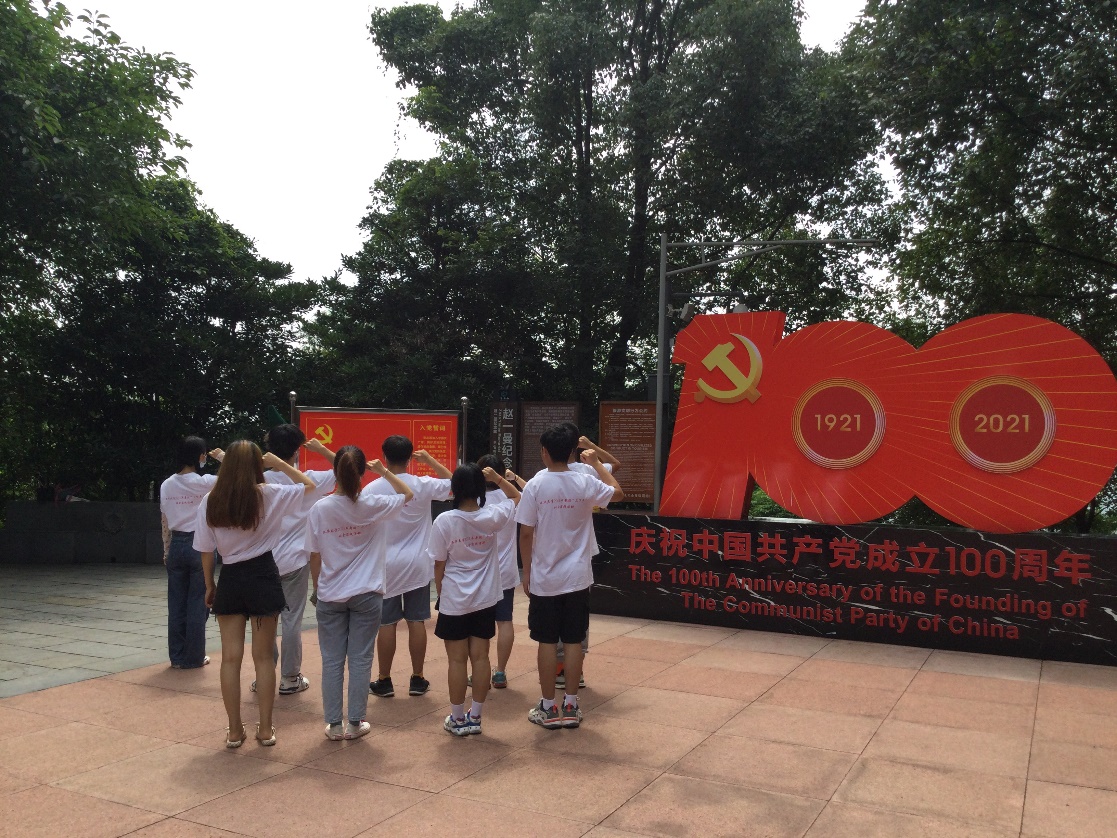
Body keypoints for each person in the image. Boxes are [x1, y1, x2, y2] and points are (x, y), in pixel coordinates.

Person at [195, 440, 317, 748]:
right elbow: (310, 486)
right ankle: (265, 728)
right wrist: (280, 464)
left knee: (230, 658)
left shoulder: (211, 500)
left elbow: (206, 550)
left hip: (230, 578)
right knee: (263, 658)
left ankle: (235, 730)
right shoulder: (269, 493)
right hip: (263, 575)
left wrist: (210, 585)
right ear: (256, 466)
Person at [517, 424, 623, 729]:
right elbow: (617, 493)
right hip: (577, 576)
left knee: (547, 641)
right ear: (573, 451)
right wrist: (597, 464)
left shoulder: (536, 484)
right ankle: (572, 705)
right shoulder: (584, 480)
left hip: (546, 577)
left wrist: (527, 572)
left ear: (545, 452)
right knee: (574, 640)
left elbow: (526, 533)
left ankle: (548, 707)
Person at [306, 446, 413, 741]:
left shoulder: (320, 508)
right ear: (363, 472)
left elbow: (314, 555)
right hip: (367, 592)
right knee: (361, 658)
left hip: (330, 593)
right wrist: (385, 472)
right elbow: (407, 494)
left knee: (331, 660)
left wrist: (318, 588)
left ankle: (334, 725)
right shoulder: (372, 504)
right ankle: (355, 722)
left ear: (335, 473)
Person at [428, 463, 520, 735]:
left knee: (456, 661)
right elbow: (517, 496)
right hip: (485, 598)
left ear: (454, 489)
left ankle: (457, 719)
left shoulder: (444, 521)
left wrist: (442, 592)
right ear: (480, 489)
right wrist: (499, 479)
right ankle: (476, 717)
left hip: (455, 599)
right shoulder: (492, 516)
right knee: (481, 658)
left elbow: (439, 563)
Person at [365, 435, 452, 698]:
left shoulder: (372, 488)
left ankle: (384, 680)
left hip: (385, 565)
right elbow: (454, 484)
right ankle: (417, 678)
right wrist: (431, 461)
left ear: (384, 455)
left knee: (386, 623)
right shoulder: (422, 484)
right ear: (410, 457)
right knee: (417, 620)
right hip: (417, 563)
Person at [260, 424, 337, 696]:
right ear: (296, 451)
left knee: (264, 620)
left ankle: (263, 675)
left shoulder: (260, 479)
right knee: (291, 620)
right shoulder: (310, 479)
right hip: (295, 560)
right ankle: (290, 678)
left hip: (263, 559)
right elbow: (347, 468)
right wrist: (322, 449)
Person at [159, 436, 223, 669]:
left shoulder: (166, 484)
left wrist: (166, 550)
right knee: (198, 602)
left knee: (176, 604)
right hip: (200, 545)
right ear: (201, 456)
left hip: (176, 544)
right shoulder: (206, 482)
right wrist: (223, 457)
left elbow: (165, 521)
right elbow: (238, 476)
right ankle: (194, 657)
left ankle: (177, 657)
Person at [477, 454, 520, 688]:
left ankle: (479, 671)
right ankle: (500, 672)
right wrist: (504, 480)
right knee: (505, 621)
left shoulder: (474, 500)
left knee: (480, 625)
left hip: (480, 573)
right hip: (505, 572)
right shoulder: (509, 499)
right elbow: (519, 495)